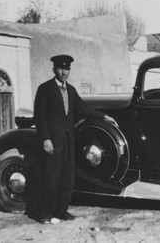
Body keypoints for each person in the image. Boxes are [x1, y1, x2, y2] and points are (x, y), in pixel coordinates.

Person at [33, 54, 117, 224]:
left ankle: (61, 211)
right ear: (54, 69)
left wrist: (105, 117)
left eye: (67, 69)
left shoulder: (70, 90)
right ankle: (44, 213)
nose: (64, 72)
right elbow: (40, 116)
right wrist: (46, 139)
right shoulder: (45, 89)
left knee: (68, 180)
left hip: (69, 141)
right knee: (51, 179)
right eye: (61, 68)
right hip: (53, 143)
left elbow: (84, 109)